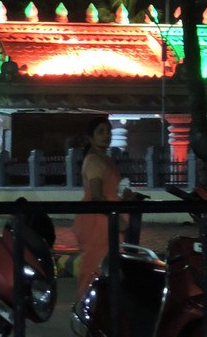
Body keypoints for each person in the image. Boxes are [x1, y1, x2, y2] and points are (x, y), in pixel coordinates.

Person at [72, 115, 135, 299]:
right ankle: (92, 309)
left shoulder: (104, 158)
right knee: (98, 266)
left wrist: (124, 199)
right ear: (90, 137)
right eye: (101, 132)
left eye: (108, 131)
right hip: (102, 221)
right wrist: (117, 218)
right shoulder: (94, 161)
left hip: (108, 217)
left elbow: (109, 192)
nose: (106, 135)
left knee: (108, 266)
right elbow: (97, 196)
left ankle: (104, 310)